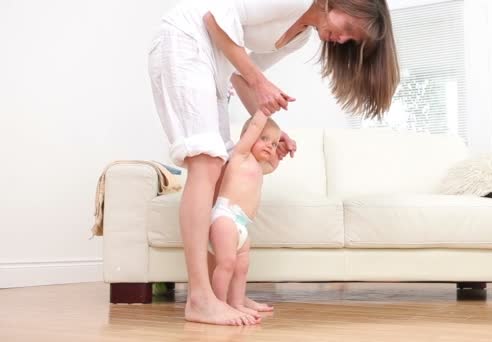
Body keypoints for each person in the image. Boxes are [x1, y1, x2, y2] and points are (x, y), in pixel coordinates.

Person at [148, 0, 399, 326]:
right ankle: (200, 298)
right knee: (206, 161)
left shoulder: (299, 38)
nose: (343, 39)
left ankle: (219, 297)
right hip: (186, 40)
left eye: (352, 39)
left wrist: (272, 131)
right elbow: (215, 19)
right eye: (349, 28)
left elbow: (240, 76)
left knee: (220, 168)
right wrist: (260, 82)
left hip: (215, 64)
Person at [208, 112, 280, 319]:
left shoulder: (259, 166)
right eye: (264, 138)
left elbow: (273, 164)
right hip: (225, 216)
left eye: (274, 143)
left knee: (241, 268)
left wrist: (281, 148)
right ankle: (219, 304)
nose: (269, 145)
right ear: (248, 136)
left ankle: (236, 303)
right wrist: (264, 112)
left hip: (242, 224)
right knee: (227, 263)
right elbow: (255, 126)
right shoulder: (240, 156)